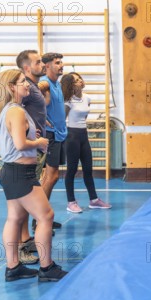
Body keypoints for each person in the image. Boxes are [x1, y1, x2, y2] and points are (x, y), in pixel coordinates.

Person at [0, 69, 67, 282]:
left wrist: (30, 135)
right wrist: (39, 143)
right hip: (20, 173)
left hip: (11, 172)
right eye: (23, 81)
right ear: (11, 87)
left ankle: (13, 267)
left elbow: (17, 137)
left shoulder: (11, 109)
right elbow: (20, 144)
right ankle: (47, 267)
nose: (28, 84)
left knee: (15, 218)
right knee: (46, 216)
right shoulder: (15, 111)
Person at [60, 72, 111, 213]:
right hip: (72, 136)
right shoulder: (68, 101)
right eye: (76, 80)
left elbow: (85, 117)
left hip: (83, 135)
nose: (80, 81)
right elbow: (62, 120)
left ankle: (94, 200)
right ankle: (71, 202)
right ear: (71, 85)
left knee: (88, 169)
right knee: (72, 170)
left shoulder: (87, 98)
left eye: (80, 78)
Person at [15, 50, 46, 264]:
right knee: (21, 204)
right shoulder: (25, 90)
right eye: (38, 62)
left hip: (35, 149)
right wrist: (30, 137)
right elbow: (17, 116)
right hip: (26, 153)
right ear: (27, 68)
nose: (42, 64)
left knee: (25, 202)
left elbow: (31, 116)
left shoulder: (33, 88)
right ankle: (19, 246)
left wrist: (41, 126)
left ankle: (26, 239)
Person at [36, 52, 67, 232]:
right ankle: (40, 218)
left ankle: (42, 215)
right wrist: (40, 117)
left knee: (52, 177)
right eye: (57, 63)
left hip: (60, 134)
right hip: (51, 135)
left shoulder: (57, 84)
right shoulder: (46, 83)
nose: (61, 65)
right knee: (51, 177)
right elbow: (32, 91)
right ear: (47, 66)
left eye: (61, 62)